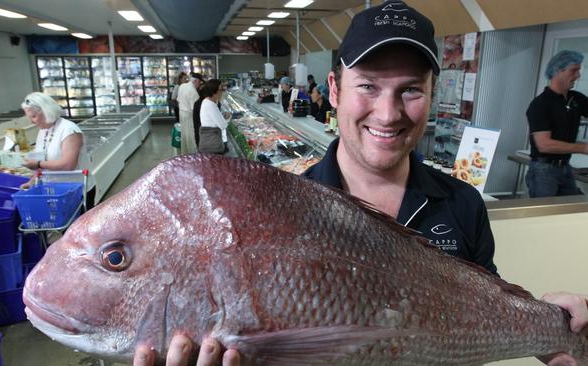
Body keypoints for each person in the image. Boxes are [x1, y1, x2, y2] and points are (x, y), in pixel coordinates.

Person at [134, 3, 588, 365]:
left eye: (410, 89)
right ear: (334, 90)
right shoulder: (284, 212)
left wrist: (548, 324)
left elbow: (478, 301)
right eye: (368, 86)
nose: (388, 113)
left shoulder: (462, 202)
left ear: (431, 94)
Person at [525, 50, 588, 198]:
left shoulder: (576, 99)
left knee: (567, 212)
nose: (578, 76)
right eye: (574, 70)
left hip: (565, 167)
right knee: (544, 216)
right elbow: (544, 144)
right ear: (558, 71)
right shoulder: (541, 104)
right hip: (544, 170)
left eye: (579, 70)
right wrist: (584, 148)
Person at [20, 92, 95, 209]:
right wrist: (32, 182)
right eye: (29, 117)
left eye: (34, 116)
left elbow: (68, 164)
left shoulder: (69, 130)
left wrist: (38, 164)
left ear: (46, 111)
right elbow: (42, 161)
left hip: (76, 191)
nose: (32, 122)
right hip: (55, 191)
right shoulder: (43, 131)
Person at [199, 79, 231, 154]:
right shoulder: (210, 105)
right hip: (214, 144)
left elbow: (213, 119)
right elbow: (223, 125)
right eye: (220, 89)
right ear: (214, 92)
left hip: (210, 141)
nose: (222, 92)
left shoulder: (207, 101)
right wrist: (227, 118)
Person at [177, 72, 203, 154]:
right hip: (189, 115)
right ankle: (192, 155)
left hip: (181, 113)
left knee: (184, 135)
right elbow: (195, 110)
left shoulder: (182, 86)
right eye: (199, 82)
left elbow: (178, 100)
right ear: (195, 81)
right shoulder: (193, 92)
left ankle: (184, 153)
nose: (199, 85)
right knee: (191, 136)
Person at [192, 84, 209, 148]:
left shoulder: (197, 103)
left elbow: (195, 121)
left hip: (199, 133)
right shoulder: (207, 104)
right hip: (206, 135)